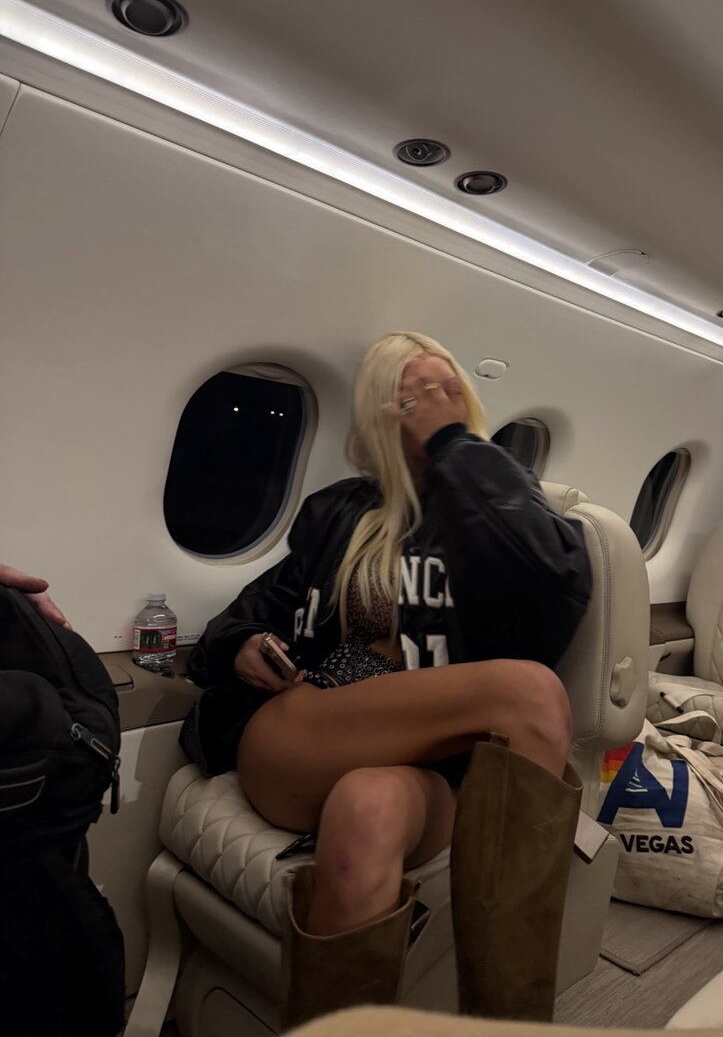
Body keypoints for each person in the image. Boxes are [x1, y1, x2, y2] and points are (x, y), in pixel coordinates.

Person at [188, 331, 592, 1025]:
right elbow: (242, 617)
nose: (436, 400)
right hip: (303, 734)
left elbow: (557, 580)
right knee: (529, 693)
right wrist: (240, 645)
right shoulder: (341, 513)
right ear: (382, 411)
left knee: (369, 808)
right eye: (414, 394)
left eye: (448, 387)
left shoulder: (497, 502)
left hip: (425, 774)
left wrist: (453, 445)